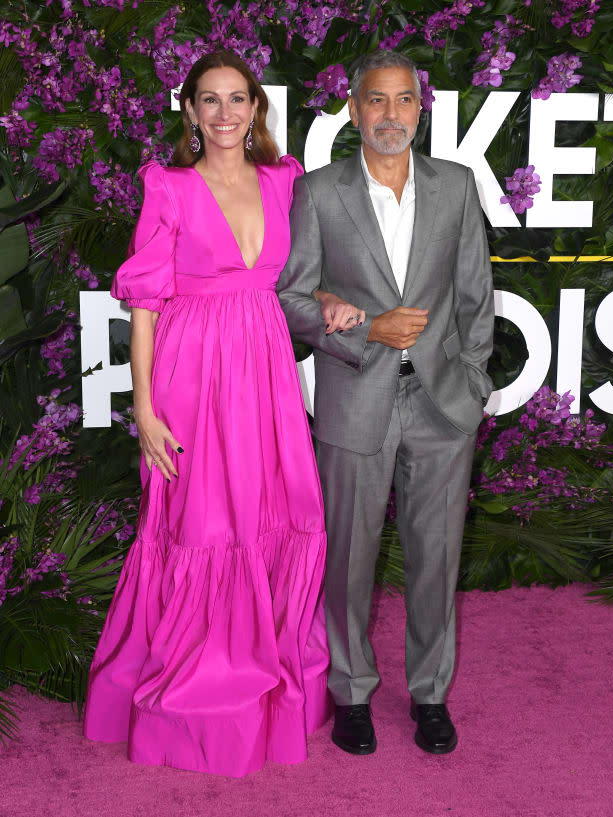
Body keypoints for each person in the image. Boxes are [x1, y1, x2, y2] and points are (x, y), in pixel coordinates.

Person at [83, 51, 360, 778]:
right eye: (209, 100)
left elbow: (306, 276)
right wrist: (143, 406)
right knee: (201, 524)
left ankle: (271, 676)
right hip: (191, 375)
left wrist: (329, 298)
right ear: (190, 111)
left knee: (281, 511)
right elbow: (144, 306)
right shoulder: (169, 187)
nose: (225, 114)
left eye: (238, 99)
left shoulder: (284, 181)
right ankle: (200, 686)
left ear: (256, 109)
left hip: (265, 372)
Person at [277, 49, 494, 757]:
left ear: (420, 109)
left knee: (437, 558)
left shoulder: (457, 187)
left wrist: (473, 381)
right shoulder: (317, 192)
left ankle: (430, 692)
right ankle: (351, 692)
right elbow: (291, 299)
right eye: (377, 100)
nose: (391, 115)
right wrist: (367, 327)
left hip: (440, 406)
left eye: (404, 101)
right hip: (354, 398)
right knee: (349, 561)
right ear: (352, 108)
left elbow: (476, 300)